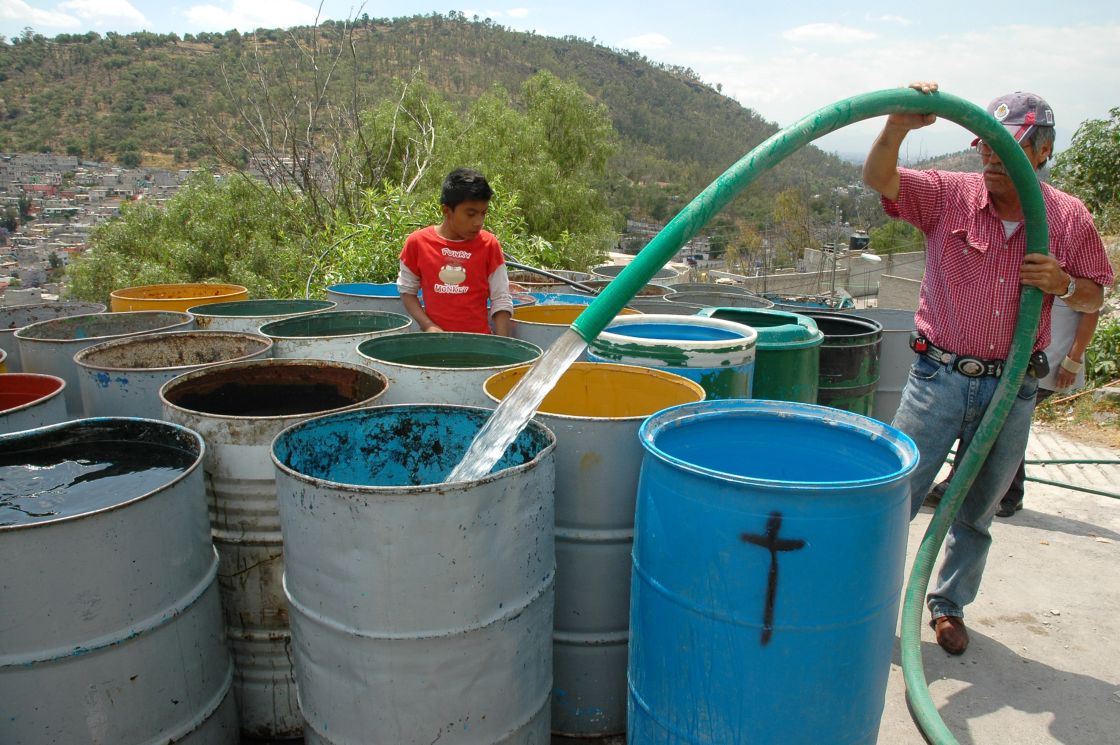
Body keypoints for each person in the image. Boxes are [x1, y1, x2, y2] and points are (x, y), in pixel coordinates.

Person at [862, 83, 1113, 656]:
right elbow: (881, 178)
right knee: (895, 496)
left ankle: (947, 606)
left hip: (1012, 386)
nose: (995, 160)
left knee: (977, 509)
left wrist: (1064, 284)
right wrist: (897, 126)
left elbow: (1094, 295)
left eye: (1012, 148)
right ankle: (869, 601)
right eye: (989, 148)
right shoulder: (950, 196)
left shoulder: (1068, 218)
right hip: (937, 378)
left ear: (1043, 152)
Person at [995, 302, 1100, 517]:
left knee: (1007, 423)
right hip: (1024, 361)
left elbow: (1091, 312)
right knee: (1004, 421)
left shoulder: (1072, 271)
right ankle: (1001, 492)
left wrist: (1073, 360)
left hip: (1049, 365)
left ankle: (1009, 495)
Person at [397, 168, 514, 335]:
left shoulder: (489, 245)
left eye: (483, 213)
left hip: (478, 344)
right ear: (446, 211)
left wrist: (503, 345)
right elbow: (407, 291)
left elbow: (501, 299)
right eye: (471, 214)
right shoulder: (417, 243)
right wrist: (428, 325)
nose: (478, 222)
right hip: (436, 347)